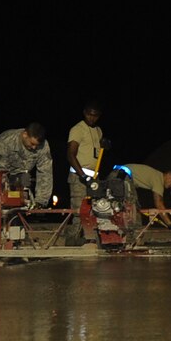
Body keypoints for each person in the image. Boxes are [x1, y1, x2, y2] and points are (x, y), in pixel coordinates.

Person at [0, 123, 53, 238]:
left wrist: (41, 200)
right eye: (32, 144)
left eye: (37, 145)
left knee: (21, 200)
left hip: (21, 170)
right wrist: (3, 194)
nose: (34, 148)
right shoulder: (6, 140)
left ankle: (15, 231)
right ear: (25, 135)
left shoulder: (43, 146)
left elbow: (45, 173)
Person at [66, 102, 106, 241]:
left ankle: (90, 239)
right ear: (84, 113)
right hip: (79, 176)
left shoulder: (98, 130)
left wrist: (105, 146)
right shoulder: (78, 129)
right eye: (89, 114)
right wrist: (82, 175)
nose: (92, 118)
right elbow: (71, 154)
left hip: (94, 176)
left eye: (95, 115)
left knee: (95, 210)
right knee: (79, 211)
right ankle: (72, 241)